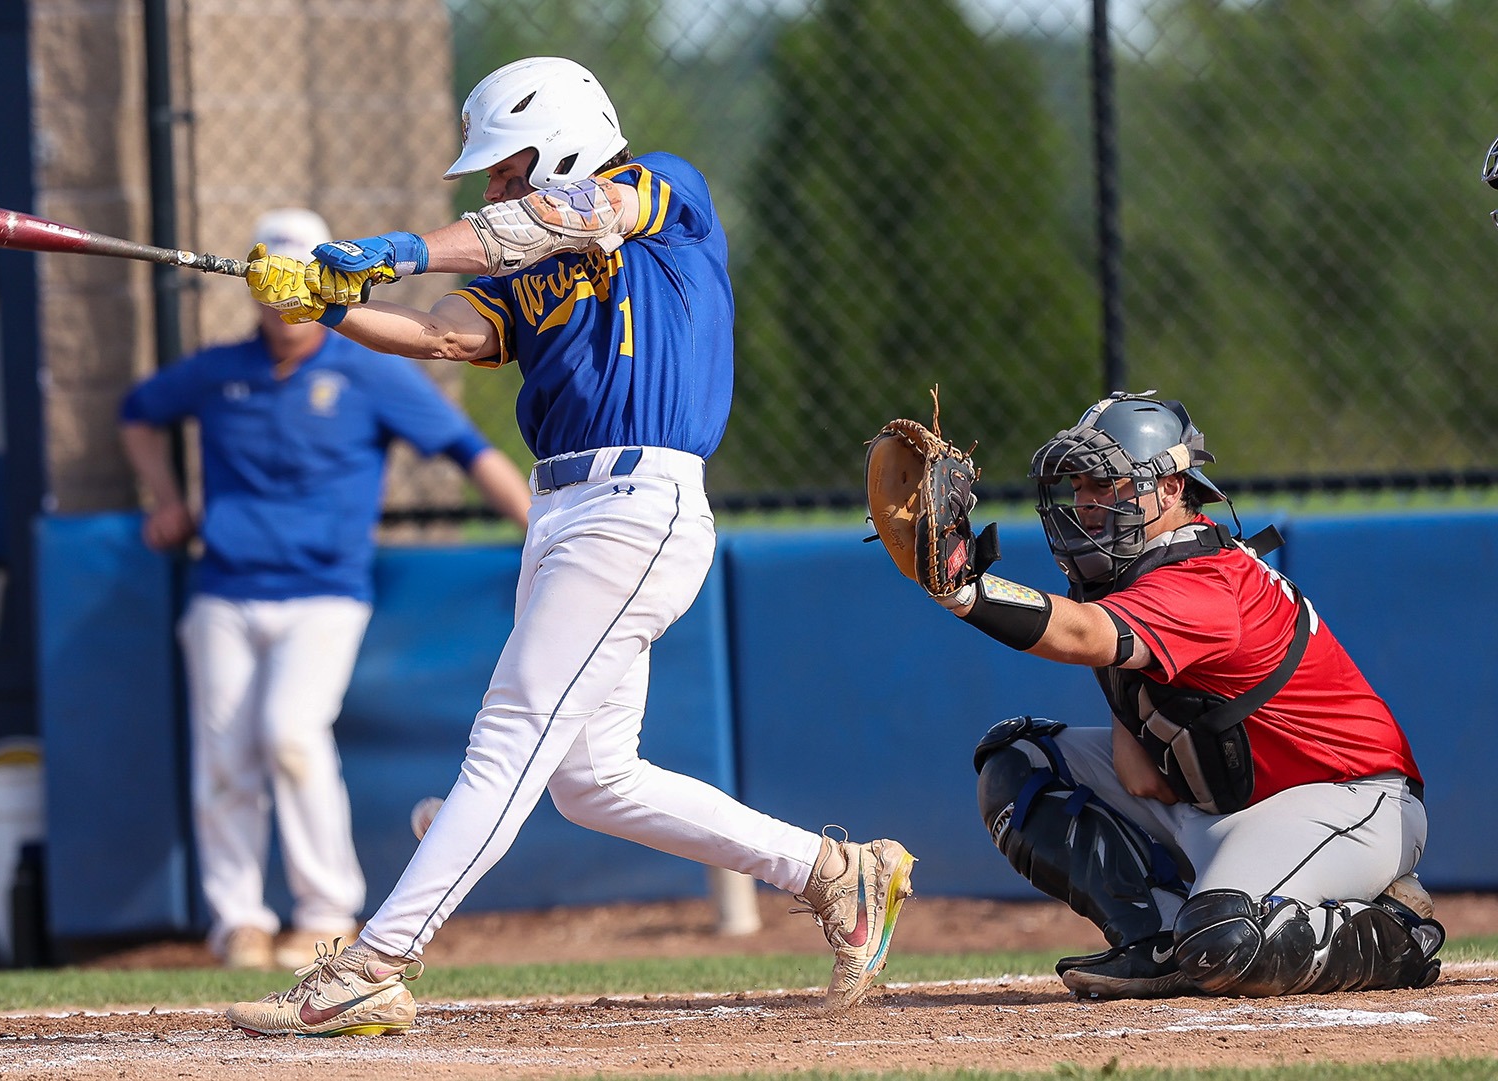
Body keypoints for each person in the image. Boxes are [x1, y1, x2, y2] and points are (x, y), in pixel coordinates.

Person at [227, 56, 917, 1037]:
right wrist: (325, 304)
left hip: (638, 502)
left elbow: (567, 212)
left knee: (511, 733)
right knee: (593, 779)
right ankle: (837, 874)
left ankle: (374, 963)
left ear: (559, 137)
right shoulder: (520, 265)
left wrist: (395, 245)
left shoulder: (665, 192)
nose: (497, 189)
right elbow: (443, 336)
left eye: (505, 167)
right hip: (564, 515)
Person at [922, 391, 1442, 999]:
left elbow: (1086, 635)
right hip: (1221, 800)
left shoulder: (1207, 578)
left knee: (1223, 944)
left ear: (1170, 489)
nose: (1086, 504)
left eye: (1105, 483)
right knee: (1021, 765)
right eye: (1080, 486)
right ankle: (1158, 940)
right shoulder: (1125, 570)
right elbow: (1138, 765)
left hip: (1342, 798)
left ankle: (1396, 935)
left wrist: (965, 591)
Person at [120, 208, 532, 973]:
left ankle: (324, 915)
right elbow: (139, 413)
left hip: (323, 593)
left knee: (289, 731)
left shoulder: (368, 368)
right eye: (272, 282)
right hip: (226, 589)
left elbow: (468, 450)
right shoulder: (219, 369)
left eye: (296, 283)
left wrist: (538, 533)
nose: (282, 306)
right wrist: (164, 497)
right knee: (224, 757)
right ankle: (238, 921)